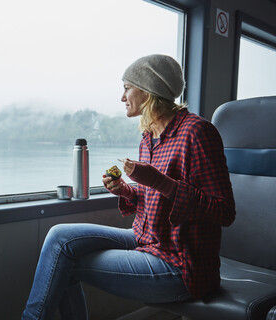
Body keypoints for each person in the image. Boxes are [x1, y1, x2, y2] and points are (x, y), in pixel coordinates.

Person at [21, 54, 235, 320]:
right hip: (143, 241)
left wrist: (157, 180)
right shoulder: (148, 136)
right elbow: (155, 197)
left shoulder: (198, 132)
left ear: (148, 91)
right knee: (59, 236)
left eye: (126, 87)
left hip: (179, 264)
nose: (122, 97)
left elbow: (224, 211)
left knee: (62, 264)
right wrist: (125, 190)